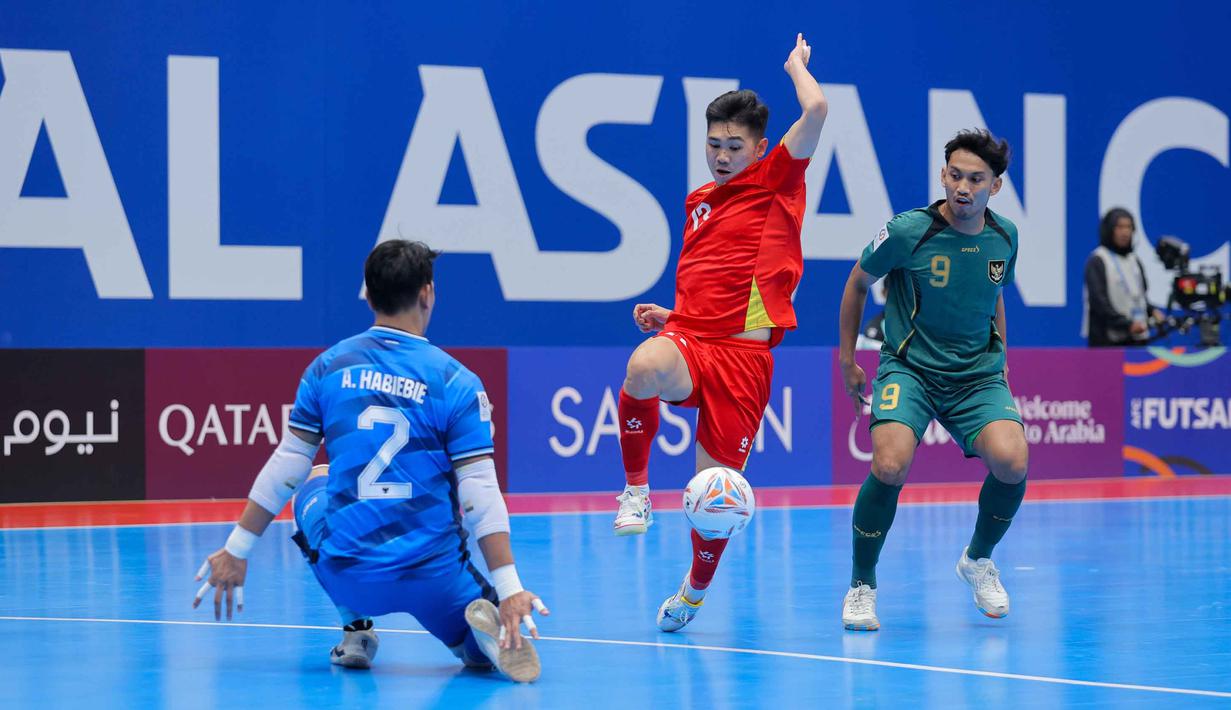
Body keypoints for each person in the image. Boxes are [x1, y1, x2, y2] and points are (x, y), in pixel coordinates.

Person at [191, 240, 549, 682]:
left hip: (349, 573)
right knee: (474, 647)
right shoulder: (456, 380)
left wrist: (237, 549)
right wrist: (512, 589)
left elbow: (287, 468)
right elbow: (479, 494)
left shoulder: (327, 368)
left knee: (314, 481)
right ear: (427, 293)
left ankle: (356, 628)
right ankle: (476, 643)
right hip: (432, 577)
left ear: (368, 295)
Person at [611, 33, 827, 632]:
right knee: (643, 365)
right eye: (714, 143)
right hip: (694, 341)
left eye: (735, 145)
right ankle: (635, 491)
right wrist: (673, 320)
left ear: (761, 148)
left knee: (716, 494)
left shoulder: (779, 181)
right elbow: (709, 277)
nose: (722, 154)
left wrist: (794, 67)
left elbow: (816, 111)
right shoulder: (698, 199)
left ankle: (694, 590)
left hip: (745, 360)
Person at [836, 130, 1030, 631]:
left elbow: (996, 293)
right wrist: (847, 359)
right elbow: (858, 282)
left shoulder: (1006, 235)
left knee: (1012, 462)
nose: (963, 187)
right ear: (944, 175)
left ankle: (978, 560)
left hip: (976, 376)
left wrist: (1002, 356)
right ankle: (862, 583)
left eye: (976, 179)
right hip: (910, 368)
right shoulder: (908, 231)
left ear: (996, 186)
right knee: (890, 463)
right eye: (956, 175)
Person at [1083, 208, 1164, 346]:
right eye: (1119, 227)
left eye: (1129, 227)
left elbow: (1139, 297)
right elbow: (1099, 303)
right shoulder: (1098, 260)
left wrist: (1152, 311)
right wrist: (1126, 324)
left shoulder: (1134, 261)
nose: (1125, 232)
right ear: (1109, 230)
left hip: (1136, 339)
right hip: (1107, 342)